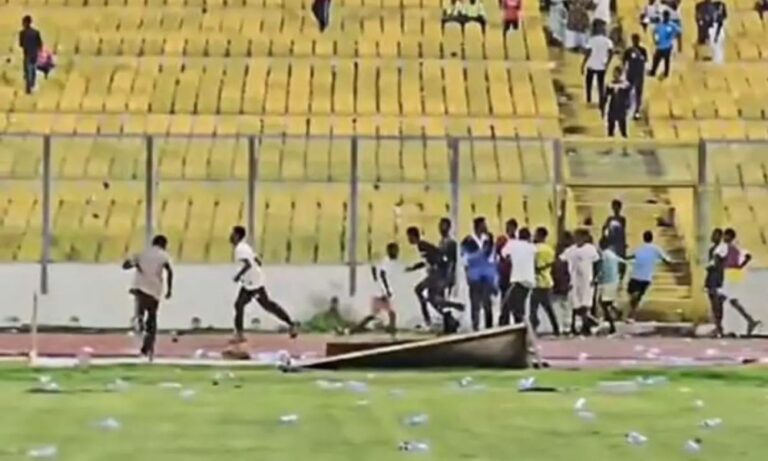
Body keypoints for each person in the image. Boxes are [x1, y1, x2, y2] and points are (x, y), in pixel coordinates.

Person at [230, 226, 297, 343]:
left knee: (248, 305)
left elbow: (248, 264)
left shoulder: (240, 249)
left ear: (237, 236)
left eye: (233, 234)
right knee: (256, 305)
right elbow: (257, 260)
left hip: (252, 283)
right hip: (253, 281)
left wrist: (238, 276)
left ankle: (239, 334)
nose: (230, 236)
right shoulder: (245, 247)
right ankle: (291, 324)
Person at [122, 235, 174, 361]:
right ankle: (148, 346)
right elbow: (169, 272)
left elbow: (126, 265)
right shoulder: (163, 256)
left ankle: (139, 320)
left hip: (140, 287)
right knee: (152, 318)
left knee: (140, 307)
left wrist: (137, 266)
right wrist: (169, 289)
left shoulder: (142, 253)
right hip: (154, 290)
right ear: (164, 244)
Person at [406, 226, 464, 332]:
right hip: (437, 273)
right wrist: (413, 267)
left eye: (409, 237)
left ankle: (428, 319)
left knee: (419, 290)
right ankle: (452, 317)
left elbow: (436, 256)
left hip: (437, 275)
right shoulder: (421, 246)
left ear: (413, 236)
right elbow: (427, 260)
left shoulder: (422, 245)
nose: (408, 240)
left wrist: (436, 266)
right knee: (433, 300)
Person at [719, 228, 762, 336]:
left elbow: (747, 257)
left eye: (725, 236)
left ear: (730, 236)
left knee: (721, 299)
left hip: (731, 273)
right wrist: (740, 266)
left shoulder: (729, 247)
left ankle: (718, 326)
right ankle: (750, 320)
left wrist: (738, 266)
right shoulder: (735, 246)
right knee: (732, 301)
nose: (724, 238)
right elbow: (748, 256)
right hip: (733, 273)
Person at [559, 228, 601, 335]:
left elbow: (597, 263)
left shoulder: (590, 249)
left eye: (579, 236)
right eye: (576, 236)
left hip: (587, 281)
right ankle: (579, 324)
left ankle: (586, 325)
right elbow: (561, 260)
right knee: (575, 304)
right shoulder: (571, 250)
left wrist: (596, 277)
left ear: (585, 238)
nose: (577, 239)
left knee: (585, 305)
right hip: (574, 281)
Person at [352, 242, 399, 337]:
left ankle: (357, 328)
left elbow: (375, 272)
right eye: (395, 250)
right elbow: (382, 275)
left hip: (377, 292)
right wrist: (386, 290)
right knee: (392, 314)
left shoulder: (385, 262)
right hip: (381, 293)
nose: (397, 253)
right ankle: (392, 332)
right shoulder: (387, 262)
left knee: (374, 315)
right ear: (390, 251)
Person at [626, 230, 673, 320]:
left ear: (643, 238)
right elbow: (666, 259)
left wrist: (624, 258)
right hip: (646, 277)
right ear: (652, 238)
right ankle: (632, 314)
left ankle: (631, 314)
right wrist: (671, 264)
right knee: (637, 296)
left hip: (635, 275)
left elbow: (632, 256)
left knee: (633, 294)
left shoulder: (640, 248)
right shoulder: (656, 249)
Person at [462, 217, 496, 331]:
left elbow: (492, 257)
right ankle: (475, 327)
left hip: (487, 275)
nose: (486, 227)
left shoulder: (489, 239)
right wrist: (467, 274)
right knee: (475, 303)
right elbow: (465, 259)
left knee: (487, 302)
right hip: (474, 275)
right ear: (478, 226)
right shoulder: (468, 240)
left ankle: (489, 327)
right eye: (484, 225)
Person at [499, 227, 536, 326]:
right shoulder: (532, 247)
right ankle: (521, 328)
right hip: (529, 281)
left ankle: (523, 329)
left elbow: (503, 254)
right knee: (519, 307)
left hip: (518, 279)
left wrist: (509, 260)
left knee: (506, 306)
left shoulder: (512, 244)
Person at [530, 227, 560, 335]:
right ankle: (556, 328)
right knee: (548, 308)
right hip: (547, 281)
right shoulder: (550, 249)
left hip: (537, 282)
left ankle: (533, 327)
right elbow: (553, 263)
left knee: (533, 308)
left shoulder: (534, 248)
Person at [582, 21, 613, 108]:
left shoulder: (591, 40)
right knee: (601, 84)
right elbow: (611, 52)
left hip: (591, 64)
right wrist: (607, 63)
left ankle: (589, 98)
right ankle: (601, 100)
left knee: (588, 83)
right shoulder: (608, 41)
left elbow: (588, 53)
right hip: (602, 66)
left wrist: (583, 64)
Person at [597, 238, 624, 334]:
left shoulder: (603, 255)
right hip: (614, 281)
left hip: (606, 281)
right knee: (607, 302)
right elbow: (623, 262)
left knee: (603, 303)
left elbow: (600, 269)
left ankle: (612, 324)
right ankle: (616, 310)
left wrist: (597, 278)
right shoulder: (613, 255)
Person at [704, 228, 726, 337]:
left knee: (718, 304)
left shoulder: (722, 249)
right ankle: (717, 326)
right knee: (713, 303)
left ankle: (719, 327)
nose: (712, 237)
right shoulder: (711, 249)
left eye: (715, 235)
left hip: (718, 278)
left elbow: (717, 264)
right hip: (711, 278)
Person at [623, 33, 648, 119]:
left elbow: (645, 60)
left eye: (636, 39)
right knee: (627, 90)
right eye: (634, 40)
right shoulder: (628, 50)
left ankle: (637, 110)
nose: (635, 41)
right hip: (631, 73)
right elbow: (624, 61)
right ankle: (626, 106)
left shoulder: (642, 50)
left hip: (639, 73)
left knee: (638, 92)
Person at [649, 10, 681, 78]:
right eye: (665, 16)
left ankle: (665, 73)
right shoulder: (660, 25)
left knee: (666, 60)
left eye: (667, 16)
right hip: (660, 46)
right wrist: (655, 40)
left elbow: (678, 31)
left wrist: (672, 36)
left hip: (667, 46)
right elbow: (654, 32)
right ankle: (653, 71)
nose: (666, 18)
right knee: (656, 59)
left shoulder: (672, 25)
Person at [552, 231, 573, 334]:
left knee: (558, 305)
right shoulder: (572, 252)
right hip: (567, 281)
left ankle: (559, 326)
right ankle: (566, 327)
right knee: (566, 305)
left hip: (558, 281)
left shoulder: (559, 253)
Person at [495, 218, 518, 306]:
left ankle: (517, 318)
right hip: (504, 272)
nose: (508, 229)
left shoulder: (518, 240)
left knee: (515, 298)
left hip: (515, 273)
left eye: (511, 227)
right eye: (507, 227)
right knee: (504, 296)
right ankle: (504, 317)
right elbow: (496, 253)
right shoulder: (502, 239)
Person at [603, 66, 631, 138]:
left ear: (620, 74)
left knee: (623, 129)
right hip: (612, 107)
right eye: (614, 73)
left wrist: (627, 106)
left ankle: (625, 144)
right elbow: (605, 96)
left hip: (621, 108)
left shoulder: (625, 85)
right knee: (610, 129)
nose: (615, 75)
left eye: (616, 73)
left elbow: (628, 97)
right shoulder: (610, 85)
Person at [18, 15, 43, 95]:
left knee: (27, 70)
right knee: (33, 70)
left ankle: (28, 87)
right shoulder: (36, 32)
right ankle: (31, 84)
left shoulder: (22, 33)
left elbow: (21, 44)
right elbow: (39, 44)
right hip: (34, 54)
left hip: (27, 54)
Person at [438, 217, 458, 297]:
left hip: (446, 275)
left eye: (443, 226)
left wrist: (449, 276)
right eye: (440, 226)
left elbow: (452, 261)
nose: (440, 228)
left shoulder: (451, 243)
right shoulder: (441, 242)